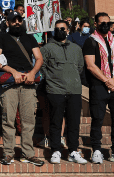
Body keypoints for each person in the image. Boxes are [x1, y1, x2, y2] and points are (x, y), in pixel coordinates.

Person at [0, 12, 44, 166]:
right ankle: (8, 153)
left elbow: (39, 58)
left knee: (29, 120)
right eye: (13, 20)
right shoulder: (2, 37)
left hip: (28, 82)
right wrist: (13, 71)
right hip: (9, 84)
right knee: (8, 119)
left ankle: (28, 153)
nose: (16, 22)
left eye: (19, 20)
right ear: (7, 22)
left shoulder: (29, 37)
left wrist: (33, 73)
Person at [82, 12, 114, 165]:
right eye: (102, 22)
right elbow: (90, 65)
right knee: (97, 118)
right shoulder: (90, 41)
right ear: (96, 24)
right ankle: (96, 150)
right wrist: (106, 80)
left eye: (108, 22)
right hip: (99, 86)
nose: (105, 25)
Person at [40, 20, 87, 164]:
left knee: (73, 123)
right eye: (57, 29)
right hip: (55, 90)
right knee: (56, 122)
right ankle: (55, 151)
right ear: (54, 31)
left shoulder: (76, 48)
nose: (60, 30)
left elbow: (80, 67)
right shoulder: (47, 48)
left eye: (63, 28)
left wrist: (70, 78)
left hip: (74, 90)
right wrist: (51, 79)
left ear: (68, 30)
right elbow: (42, 66)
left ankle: (73, 151)